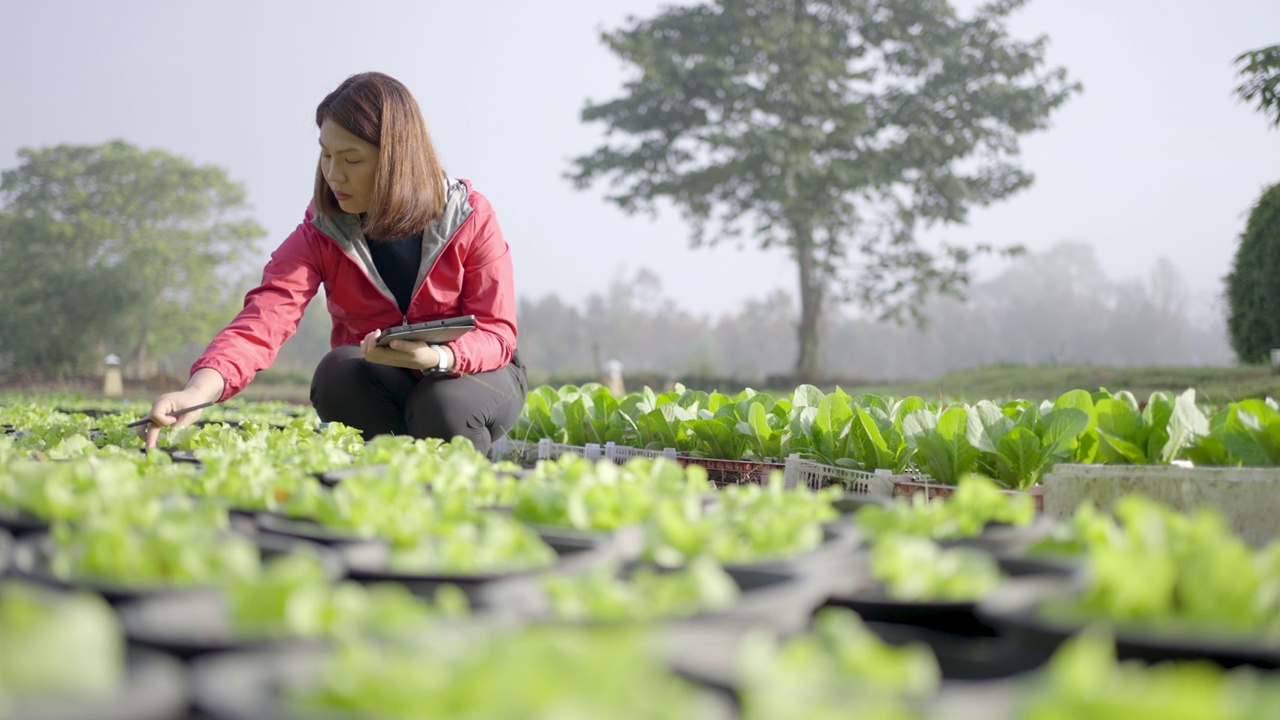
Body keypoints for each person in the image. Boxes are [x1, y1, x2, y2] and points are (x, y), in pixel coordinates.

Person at [140, 72, 527, 455]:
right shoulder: (321, 232)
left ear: (397, 159)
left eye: (351, 159)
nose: (333, 174)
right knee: (336, 374)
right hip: (386, 376)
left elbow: (496, 334)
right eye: (326, 154)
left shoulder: (468, 216)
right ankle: (384, 489)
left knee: (441, 405)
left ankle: (470, 487)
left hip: (476, 372)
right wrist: (196, 392)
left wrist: (437, 357)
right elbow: (264, 319)